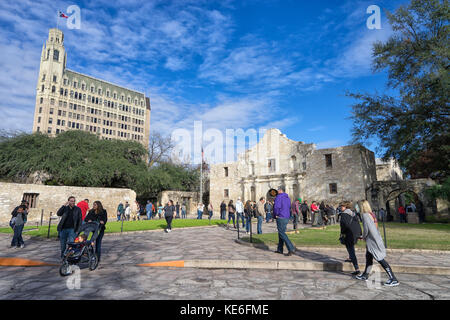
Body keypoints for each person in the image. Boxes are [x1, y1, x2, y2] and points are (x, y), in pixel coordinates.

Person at [356, 200, 399, 286]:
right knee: (368, 257)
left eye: (358, 206)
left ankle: (393, 278)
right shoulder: (371, 214)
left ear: (362, 207)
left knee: (380, 259)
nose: (357, 208)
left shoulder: (365, 215)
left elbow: (367, 229)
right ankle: (365, 274)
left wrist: (362, 236)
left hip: (372, 241)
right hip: (374, 239)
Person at [339, 201, 362, 276]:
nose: (340, 207)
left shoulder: (344, 214)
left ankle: (357, 269)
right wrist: (360, 233)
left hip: (349, 234)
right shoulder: (353, 213)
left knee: (351, 249)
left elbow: (344, 225)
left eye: (342, 206)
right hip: (355, 233)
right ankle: (349, 257)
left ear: (346, 207)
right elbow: (357, 223)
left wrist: (342, 233)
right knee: (349, 247)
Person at [273, 186, 296, 256]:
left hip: (280, 216)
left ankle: (291, 248)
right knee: (281, 232)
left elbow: (276, 207)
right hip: (286, 216)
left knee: (282, 233)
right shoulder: (287, 197)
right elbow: (289, 207)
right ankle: (280, 249)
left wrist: (276, 214)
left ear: (280, 190)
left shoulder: (279, 197)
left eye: (278, 190)